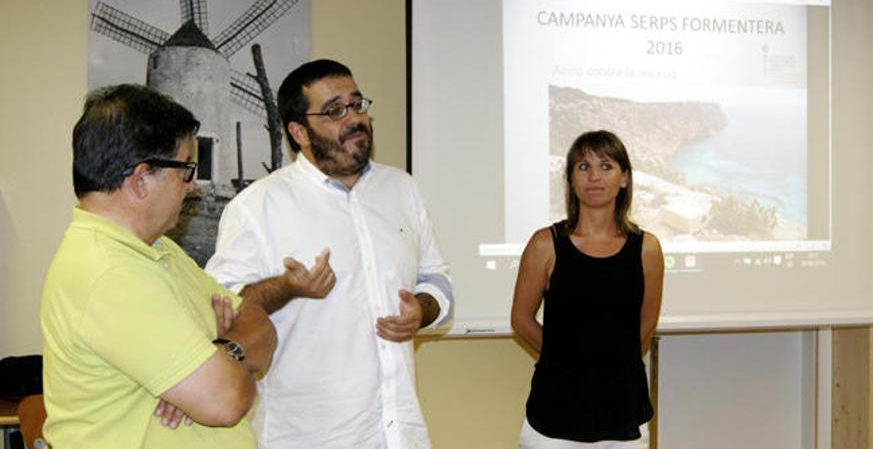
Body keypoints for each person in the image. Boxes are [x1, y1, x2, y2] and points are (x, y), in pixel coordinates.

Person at [205, 59, 454, 448]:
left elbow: (438, 281)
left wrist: (423, 309)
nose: (355, 118)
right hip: (308, 436)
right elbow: (223, 310)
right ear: (299, 132)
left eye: (358, 105)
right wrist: (287, 287)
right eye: (336, 110)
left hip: (398, 432)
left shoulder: (402, 190)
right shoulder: (257, 206)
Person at [40, 84, 277, 448]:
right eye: (186, 170)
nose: (192, 187)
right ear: (140, 180)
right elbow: (227, 400)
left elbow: (260, 324)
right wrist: (227, 372)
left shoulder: (155, 248)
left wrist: (224, 352)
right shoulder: (110, 272)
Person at [510, 130, 664, 448]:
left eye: (605, 166)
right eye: (583, 167)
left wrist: (610, 364)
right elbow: (521, 320)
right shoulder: (545, 244)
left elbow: (645, 325)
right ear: (571, 179)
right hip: (554, 417)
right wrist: (566, 358)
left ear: (624, 178)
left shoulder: (647, 248)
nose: (594, 176)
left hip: (623, 416)